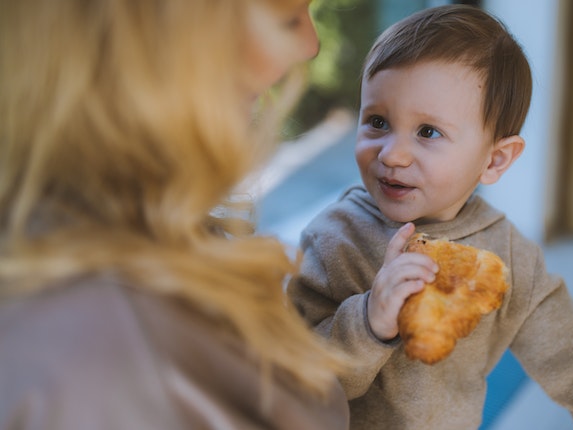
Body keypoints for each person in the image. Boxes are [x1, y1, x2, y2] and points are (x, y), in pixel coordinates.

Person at [288, 5, 573, 429]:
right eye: (377, 121)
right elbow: (296, 381)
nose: (392, 154)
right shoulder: (333, 239)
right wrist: (368, 319)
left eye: (428, 132)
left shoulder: (509, 257)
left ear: (495, 159)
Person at [0, 0, 350, 429]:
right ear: (156, 39)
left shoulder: (138, 228)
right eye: (288, 18)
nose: (310, 45)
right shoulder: (116, 350)